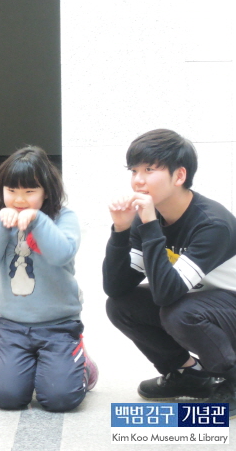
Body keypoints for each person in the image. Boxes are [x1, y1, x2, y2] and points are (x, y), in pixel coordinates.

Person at [103, 129, 236, 414]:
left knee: (178, 312)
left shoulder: (211, 224)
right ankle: (188, 375)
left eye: (149, 170)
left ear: (179, 176)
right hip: (205, 307)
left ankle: (231, 378)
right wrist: (121, 230)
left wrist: (150, 226)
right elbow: (116, 287)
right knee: (120, 306)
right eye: (134, 170)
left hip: (229, 307)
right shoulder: (148, 218)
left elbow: (166, 295)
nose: (138, 180)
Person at [0, 146, 98, 412]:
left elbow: (61, 254)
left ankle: (82, 365)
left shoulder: (63, 218)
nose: (19, 200)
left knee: (60, 399)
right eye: (11, 190)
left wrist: (39, 220)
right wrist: (0, 225)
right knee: (5, 397)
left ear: (46, 192)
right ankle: (33, 367)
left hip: (59, 325)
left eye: (29, 192)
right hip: (12, 326)